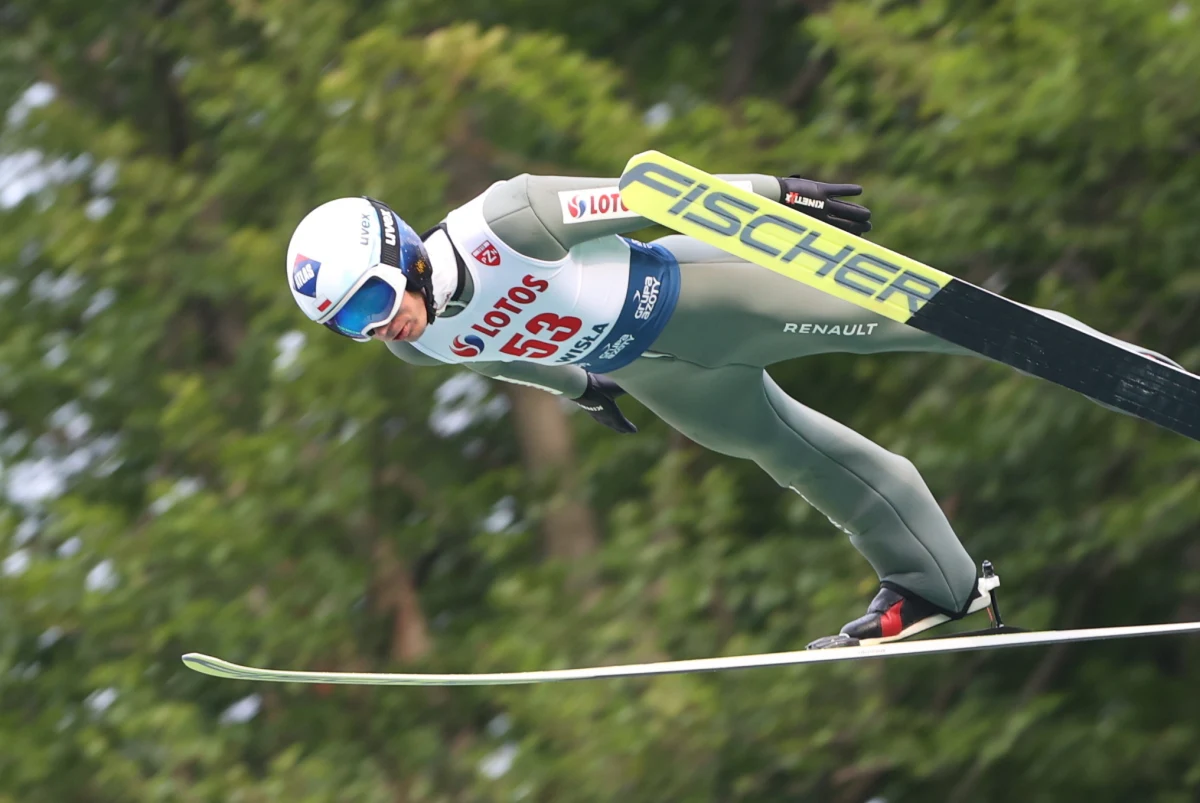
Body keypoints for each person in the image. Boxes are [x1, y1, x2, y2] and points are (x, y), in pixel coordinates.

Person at [285, 170, 1178, 648]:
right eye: (350, 325)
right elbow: (506, 358)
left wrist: (773, 195)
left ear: (402, 250)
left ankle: (1134, 369)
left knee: (928, 321)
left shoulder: (504, 221)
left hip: (705, 297)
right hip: (662, 377)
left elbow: (643, 193)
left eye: (373, 301)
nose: (378, 326)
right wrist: (582, 388)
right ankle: (933, 582)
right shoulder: (415, 343)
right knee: (799, 455)